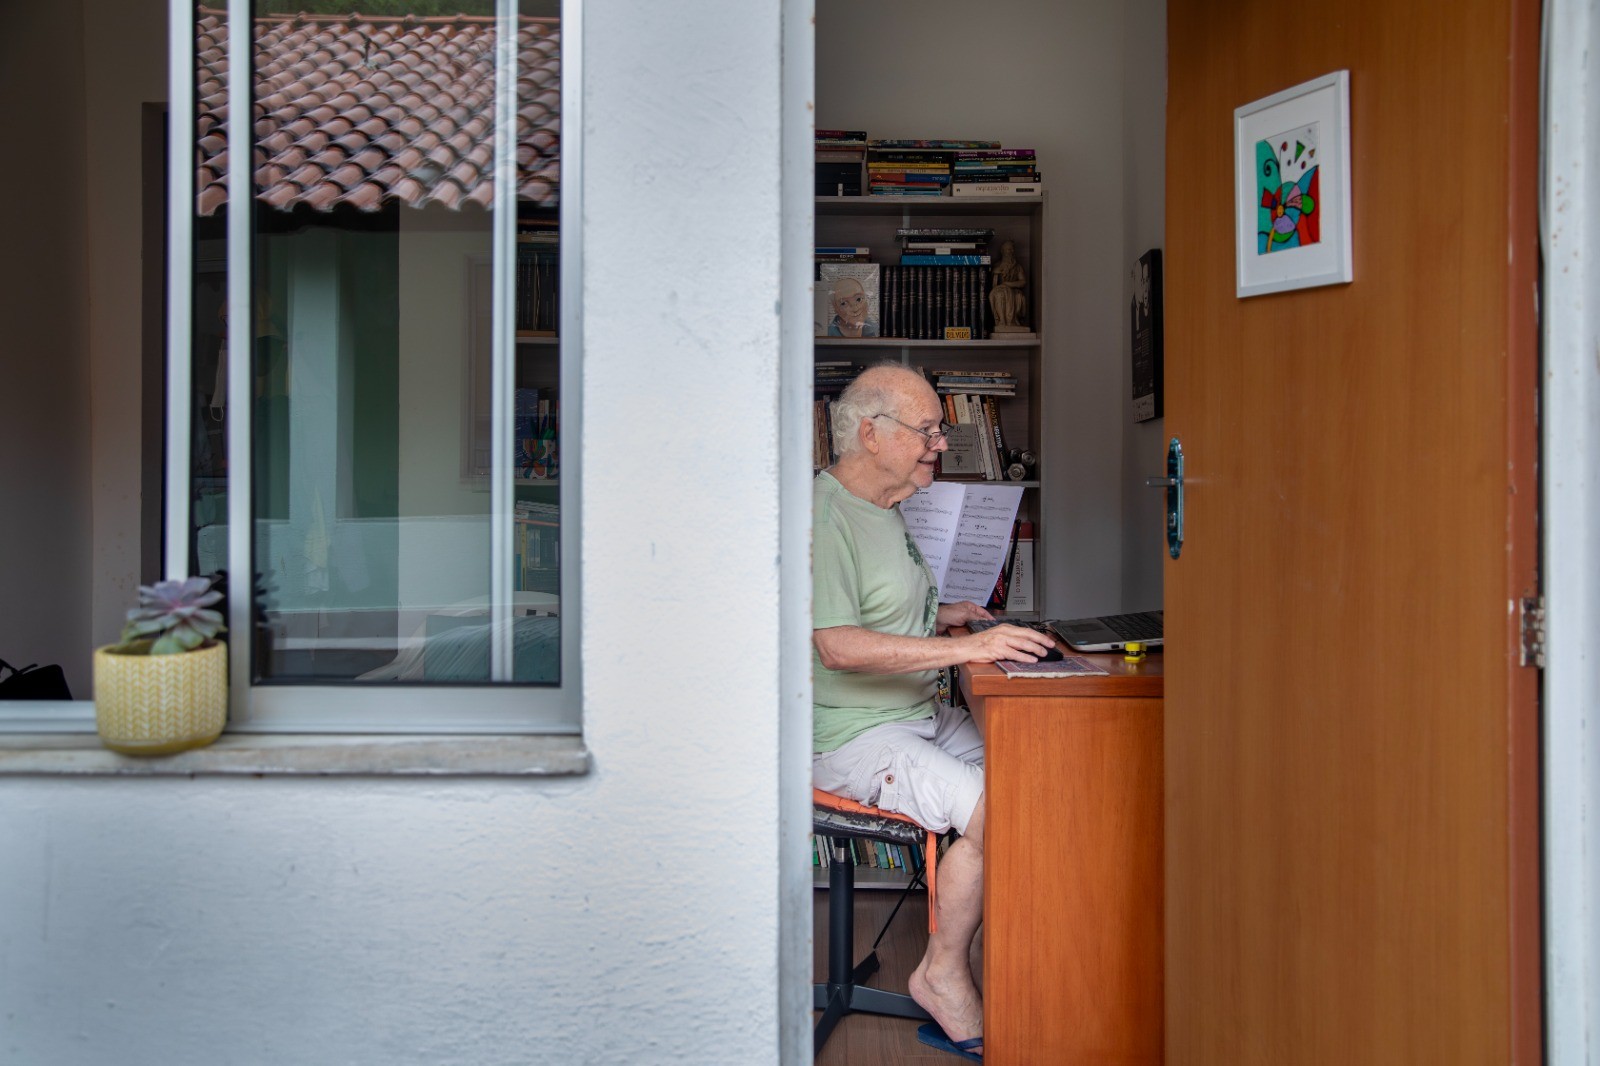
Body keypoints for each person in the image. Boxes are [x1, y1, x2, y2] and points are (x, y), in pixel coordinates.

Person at [812, 363, 1054, 1058]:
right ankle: (942, 973)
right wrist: (969, 647)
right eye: (926, 430)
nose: (940, 444)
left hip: (911, 715)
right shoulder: (825, 516)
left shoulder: (883, 507)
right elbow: (836, 645)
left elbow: (876, 611)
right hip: (852, 735)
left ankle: (1043, 970)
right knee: (997, 812)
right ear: (869, 434)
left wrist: (944, 615)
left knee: (1037, 779)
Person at [987, 240, 1027, 330]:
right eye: (1009, 249)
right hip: (999, 289)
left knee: (1009, 293)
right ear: (1003, 251)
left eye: (1012, 250)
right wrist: (995, 273)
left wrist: (1009, 284)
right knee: (998, 294)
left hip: (1013, 290)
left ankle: (1011, 321)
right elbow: (993, 283)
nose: (1011, 252)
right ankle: (1002, 321)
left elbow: (1023, 282)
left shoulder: (1017, 266)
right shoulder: (997, 265)